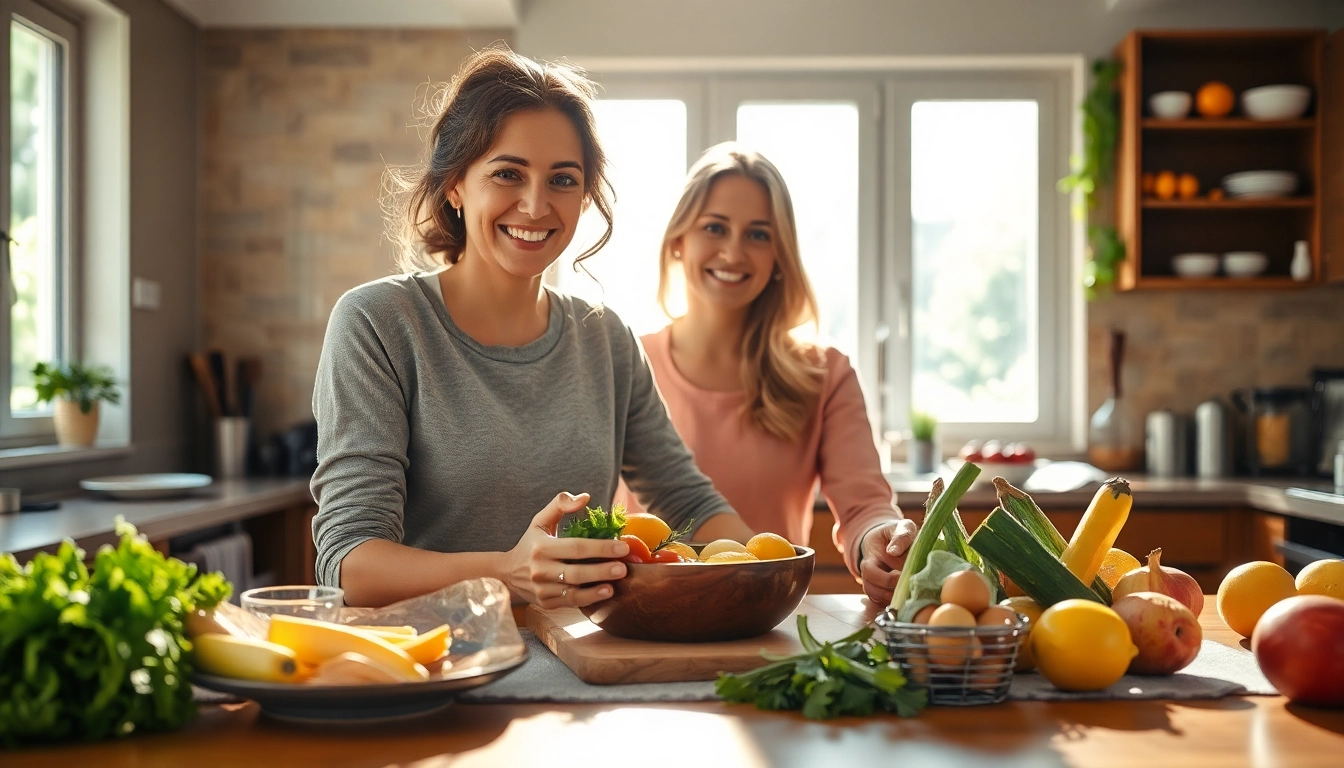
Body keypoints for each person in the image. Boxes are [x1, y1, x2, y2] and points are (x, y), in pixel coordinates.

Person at [310, 46, 749, 608]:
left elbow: (686, 501)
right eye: (508, 173)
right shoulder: (378, 324)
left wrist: (771, 564)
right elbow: (349, 565)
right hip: (433, 666)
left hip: (578, 661)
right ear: (454, 186)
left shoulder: (606, 338)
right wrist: (506, 571)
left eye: (562, 179)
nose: (536, 204)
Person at [618, 143, 917, 604]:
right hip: (645, 617)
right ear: (678, 240)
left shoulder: (824, 374)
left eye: (758, 235)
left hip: (767, 621)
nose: (733, 252)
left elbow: (864, 505)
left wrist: (877, 540)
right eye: (715, 228)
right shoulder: (623, 364)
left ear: (780, 255)